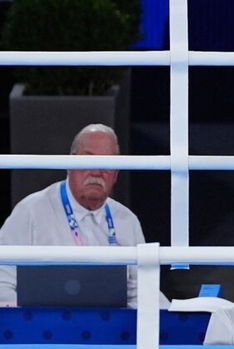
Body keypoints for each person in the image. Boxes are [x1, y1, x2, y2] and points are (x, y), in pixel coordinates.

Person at [0, 124, 161, 307]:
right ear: (70, 164)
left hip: (109, 330)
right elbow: (3, 284)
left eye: (108, 163)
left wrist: (177, 313)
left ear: (116, 173)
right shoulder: (31, 212)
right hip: (45, 329)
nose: (96, 171)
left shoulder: (127, 220)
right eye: (88, 159)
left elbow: (141, 292)